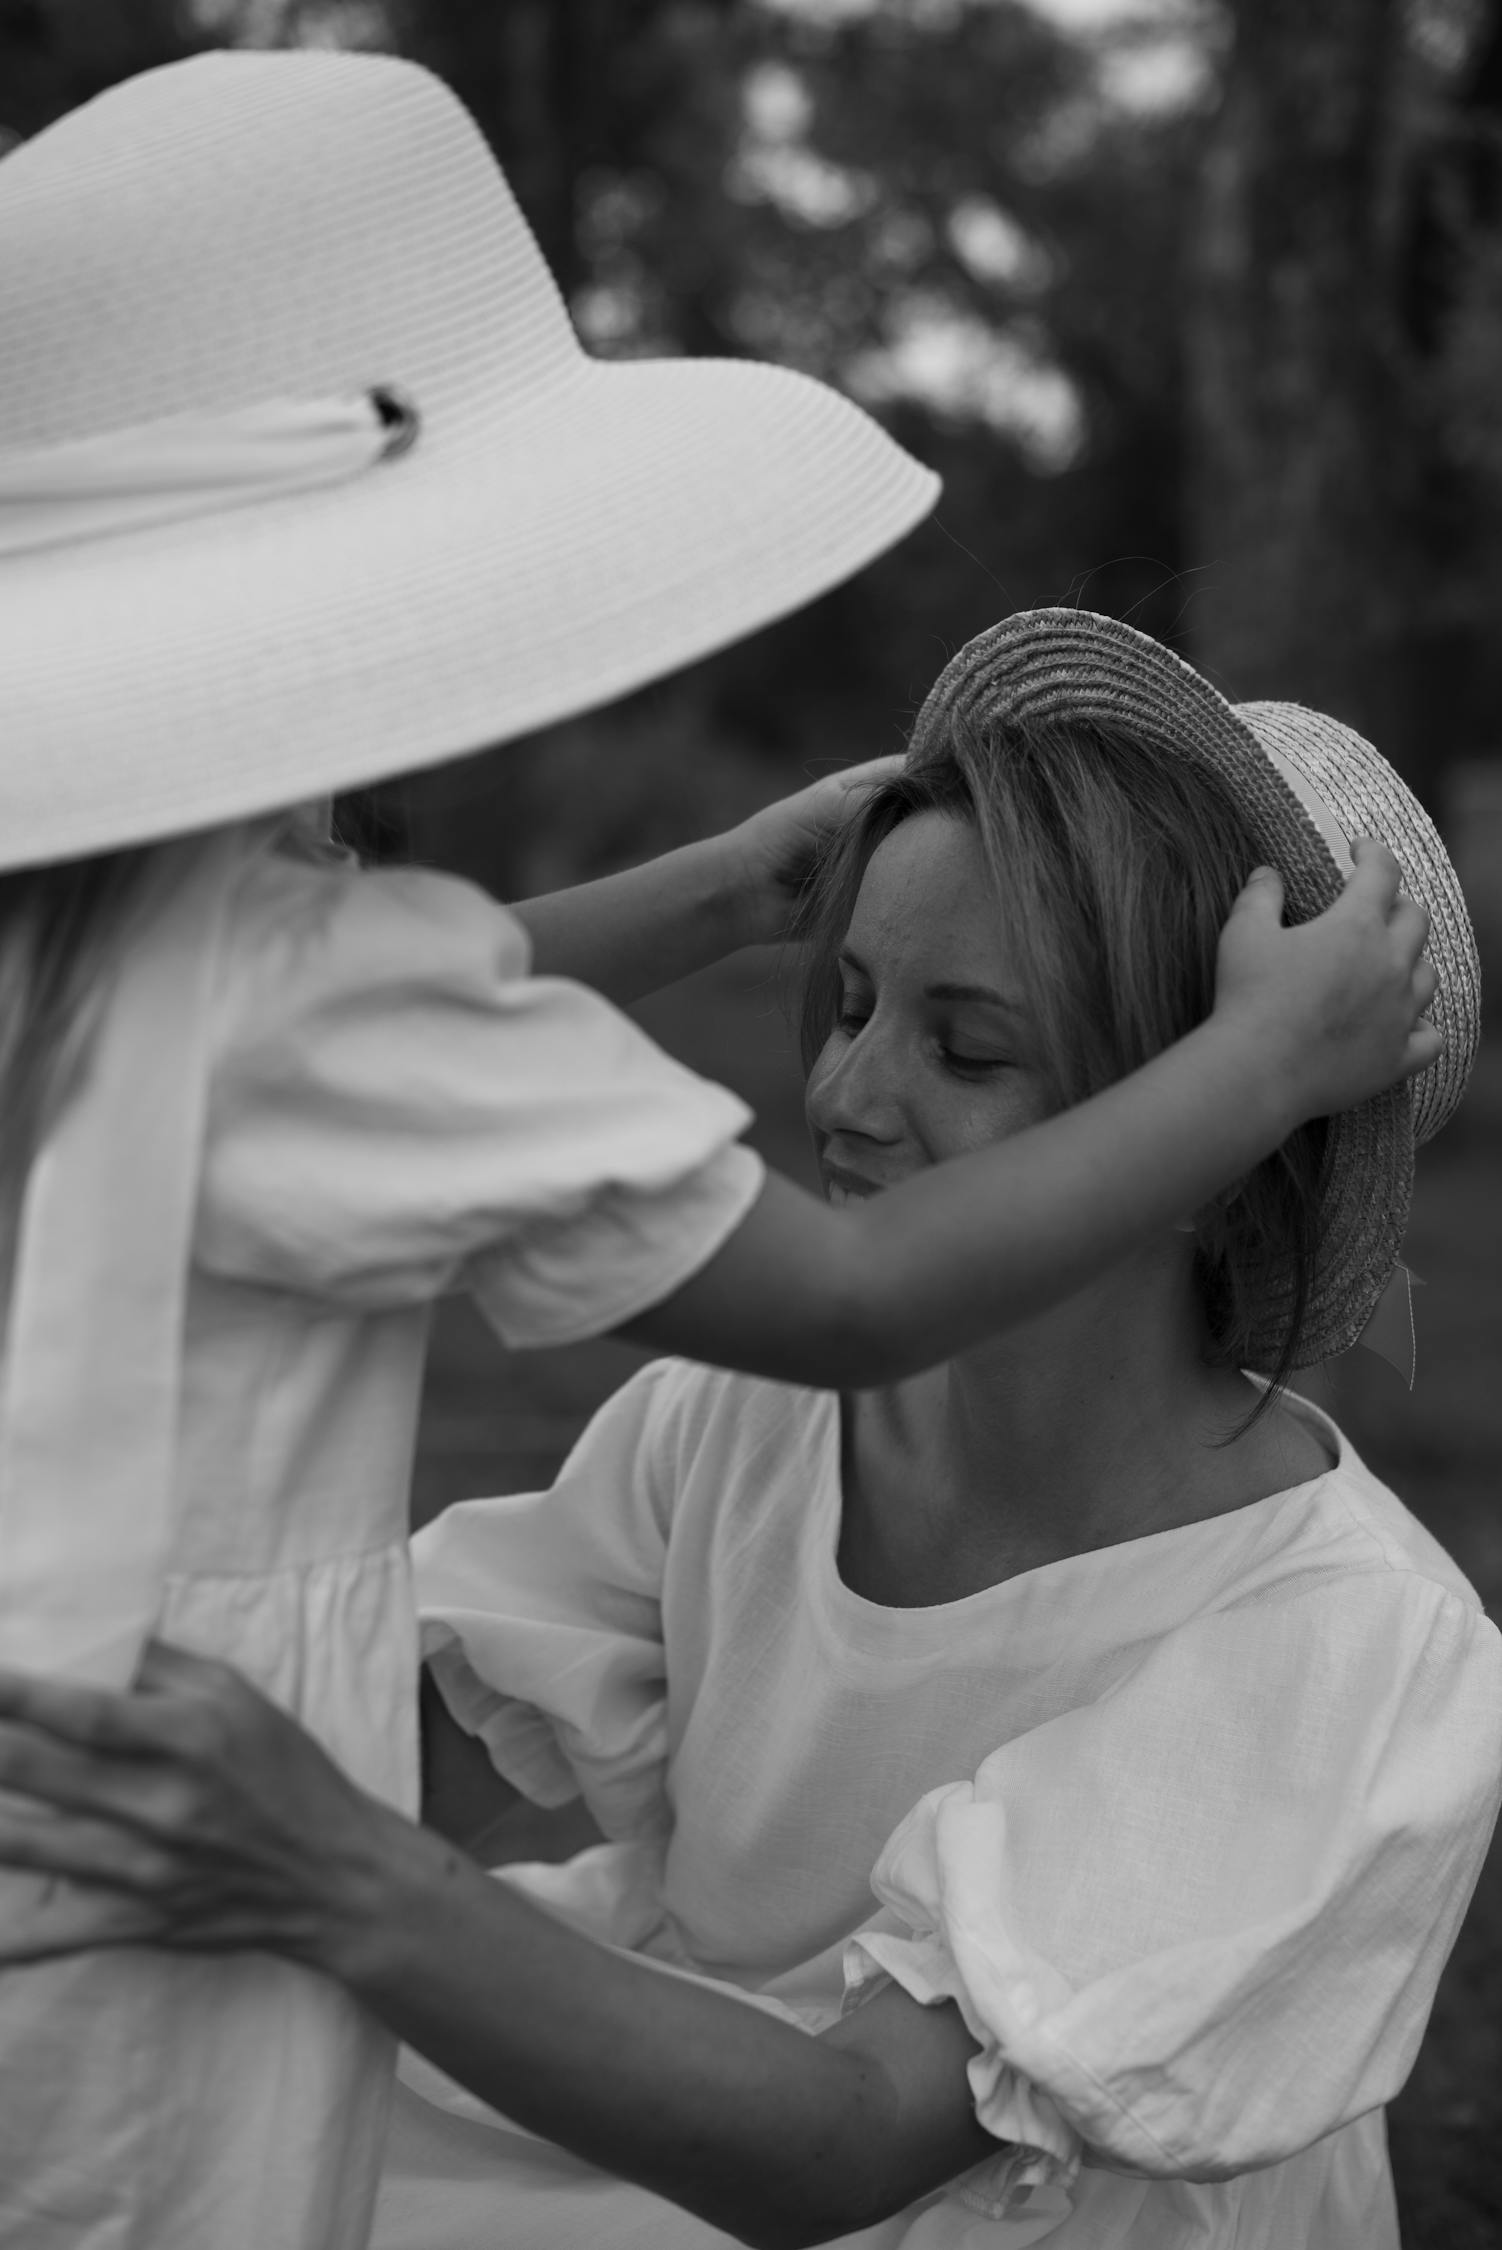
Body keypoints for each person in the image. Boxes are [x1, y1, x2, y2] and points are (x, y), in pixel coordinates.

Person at [0, 48, 1439, 2250]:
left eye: (972, 1043)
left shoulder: (1341, 1646)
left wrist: (320, 1865)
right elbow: (440, 1653)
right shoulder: (732, 1430)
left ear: (1195, 1138)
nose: (840, 1098)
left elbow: (844, 2147)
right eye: (844, 1000)